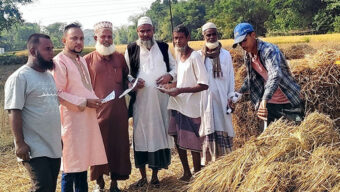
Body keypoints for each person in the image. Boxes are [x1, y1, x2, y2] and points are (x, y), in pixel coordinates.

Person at [53, 23, 107, 192]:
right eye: (74, 38)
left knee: (83, 163)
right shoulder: (59, 61)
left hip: (86, 120)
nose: (79, 42)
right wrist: (85, 101)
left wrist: (95, 99)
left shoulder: (81, 60)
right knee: (70, 166)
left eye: (81, 38)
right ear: (64, 40)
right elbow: (58, 93)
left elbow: (84, 88)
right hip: (71, 121)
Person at [4, 33, 62, 192]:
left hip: (53, 145)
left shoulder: (48, 77)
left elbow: (51, 110)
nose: (52, 53)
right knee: (42, 187)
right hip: (34, 147)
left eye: (52, 49)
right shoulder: (20, 78)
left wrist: (59, 138)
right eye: (47, 49)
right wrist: (20, 143)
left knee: (49, 187)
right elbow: (14, 111)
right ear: (32, 51)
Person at [124, 16, 176, 188]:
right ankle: (143, 177)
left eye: (148, 30)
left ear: (153, 30)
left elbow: (175, 68)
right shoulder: (131, 49)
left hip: (161, 102)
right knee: (140, 136)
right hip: (141, 103)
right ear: (137, 32)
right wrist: (132, 82)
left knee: (159, 135)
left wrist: (170, 76)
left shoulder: (163, 47)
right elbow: (126, 74)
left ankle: (155, 177)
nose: (145, 34)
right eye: (142, 31)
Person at [84, 21, 131, 192]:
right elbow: (82, 87)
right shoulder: (87, 61)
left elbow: (127, 78)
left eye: (109, 36)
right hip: (97, 114)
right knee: (98, 147)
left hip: (119, 112)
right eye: (103, 36)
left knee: (118, 147)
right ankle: (99, 182)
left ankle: (114, 183)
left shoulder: (119, 57)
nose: (107, 39)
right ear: (96, 38)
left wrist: (133, 82)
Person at [232, 23, 304, 128]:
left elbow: (275, 75)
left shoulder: (269, 50)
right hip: (270, 104)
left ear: (253, 35)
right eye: (239, 43)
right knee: (273, 139)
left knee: (296, 135)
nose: (242, 45)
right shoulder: (248, 55)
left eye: (244, 40)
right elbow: (251, 77)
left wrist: (264, 99)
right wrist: (238, 93)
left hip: (289, 99)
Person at [162, 24, 209, 181]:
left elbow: (204, 84)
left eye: (181, 38)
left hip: (191, 107)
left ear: (188, 37)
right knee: (177, 138)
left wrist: (180, 90)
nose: (178, 41)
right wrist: (169, 87)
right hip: (177, 104)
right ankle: (186, 172)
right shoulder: (179, 55)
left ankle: (197, 174)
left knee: (194, 143)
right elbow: (181, 80)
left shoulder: (195, 57)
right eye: (175, 38)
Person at [198, 22, 235, 165]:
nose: (212, 37)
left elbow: (231, 77)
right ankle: (210, 166)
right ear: (204, 36)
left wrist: (231, 96)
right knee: (208, 129)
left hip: (222, 100)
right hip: (205, 102)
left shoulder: (226, 55)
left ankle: (225, 164)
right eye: (209, 34)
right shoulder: (198, 56)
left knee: (224, 129)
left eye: (214, 34)